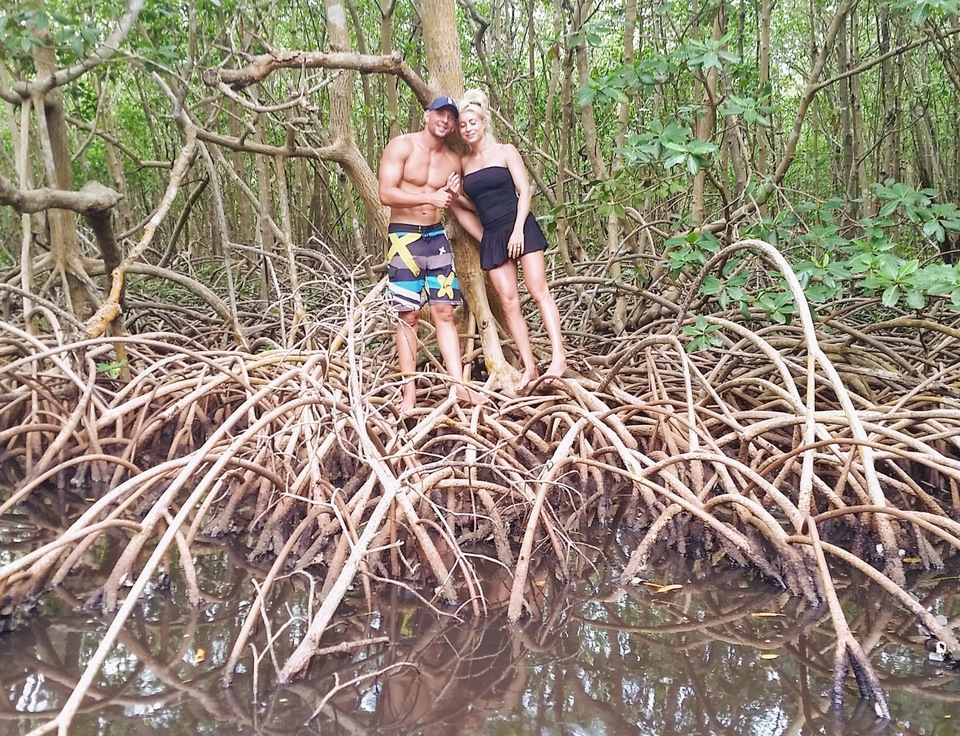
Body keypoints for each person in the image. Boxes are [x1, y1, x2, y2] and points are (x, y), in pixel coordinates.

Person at [453, 88, 566, 393]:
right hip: (492, 235)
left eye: (473, 122)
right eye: (463, 125)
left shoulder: (506, 151)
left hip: (519, 226)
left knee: (538, 290)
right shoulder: (464, 164)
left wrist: (517, 230)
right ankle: (529, 366)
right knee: (508, 301)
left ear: (484, 122)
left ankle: (559, 357)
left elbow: (525, 191)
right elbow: (474, 206)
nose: (468, 128)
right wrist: (455, 197)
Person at [378, 95, 486, 411]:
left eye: (450, 117)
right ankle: (408, 394)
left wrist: (452, 195)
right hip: (404, 238)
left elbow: (460, 202)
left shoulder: (453, 160)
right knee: (407, 316)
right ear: (428, 114)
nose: (445, 120)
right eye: (440, 113)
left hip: (436, 237)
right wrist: (430, 196)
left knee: (444, 312)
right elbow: (386, 193)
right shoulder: (402, 146)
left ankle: (459, 387)